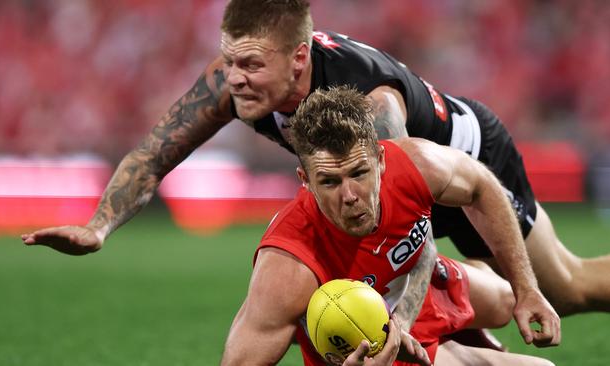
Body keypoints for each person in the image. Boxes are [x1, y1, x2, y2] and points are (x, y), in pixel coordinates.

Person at [21, 0, 610, 317]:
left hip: (465, 163)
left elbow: (406, 203)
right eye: (229, 60)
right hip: (388, 186)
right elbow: (153, 156)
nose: (232, 80)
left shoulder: (372, 105)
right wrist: (99, 223)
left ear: (298, 62)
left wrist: (409, 307)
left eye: (250, 65)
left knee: (566, 287)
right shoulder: (235, 79)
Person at [220, 86, 556, 366]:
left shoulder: (415, 164)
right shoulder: (288, 267)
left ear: (381, 160)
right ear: (305, 180)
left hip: (415, 286)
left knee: (504, 301)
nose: (350, 195)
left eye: (359, 173)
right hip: (370, 342)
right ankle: (456, 351)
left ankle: (460, 325)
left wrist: (527, 288)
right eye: (330, 181)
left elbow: (482, 185)